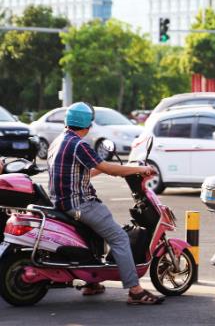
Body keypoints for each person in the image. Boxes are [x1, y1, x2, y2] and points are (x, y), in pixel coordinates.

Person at [47, 102, 164, 304]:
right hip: (79, 205)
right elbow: (110, 169)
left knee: (97, 232)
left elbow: (79, 174)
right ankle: (135, 291)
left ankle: (91, 282)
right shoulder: (78, 144)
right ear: (88, 125)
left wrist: (103, 168)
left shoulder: (58, 141)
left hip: (61, 203)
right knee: (119, 238)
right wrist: (138, 170)